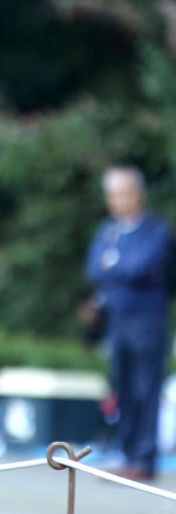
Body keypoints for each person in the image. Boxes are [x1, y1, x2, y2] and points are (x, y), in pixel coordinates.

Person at [85, 165, 171, 482]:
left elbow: (141, 266)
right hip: (117, 320)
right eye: (113, 194)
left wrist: (115, 265)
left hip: (148, 320)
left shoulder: (157, 231)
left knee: (146, 388)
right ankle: (126, 453)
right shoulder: (107, 231)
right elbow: (95, 269)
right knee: (121, 387)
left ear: (138, 194)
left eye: (124, 192)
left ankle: (144, 460)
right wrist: (120, 268)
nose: (119, 200)